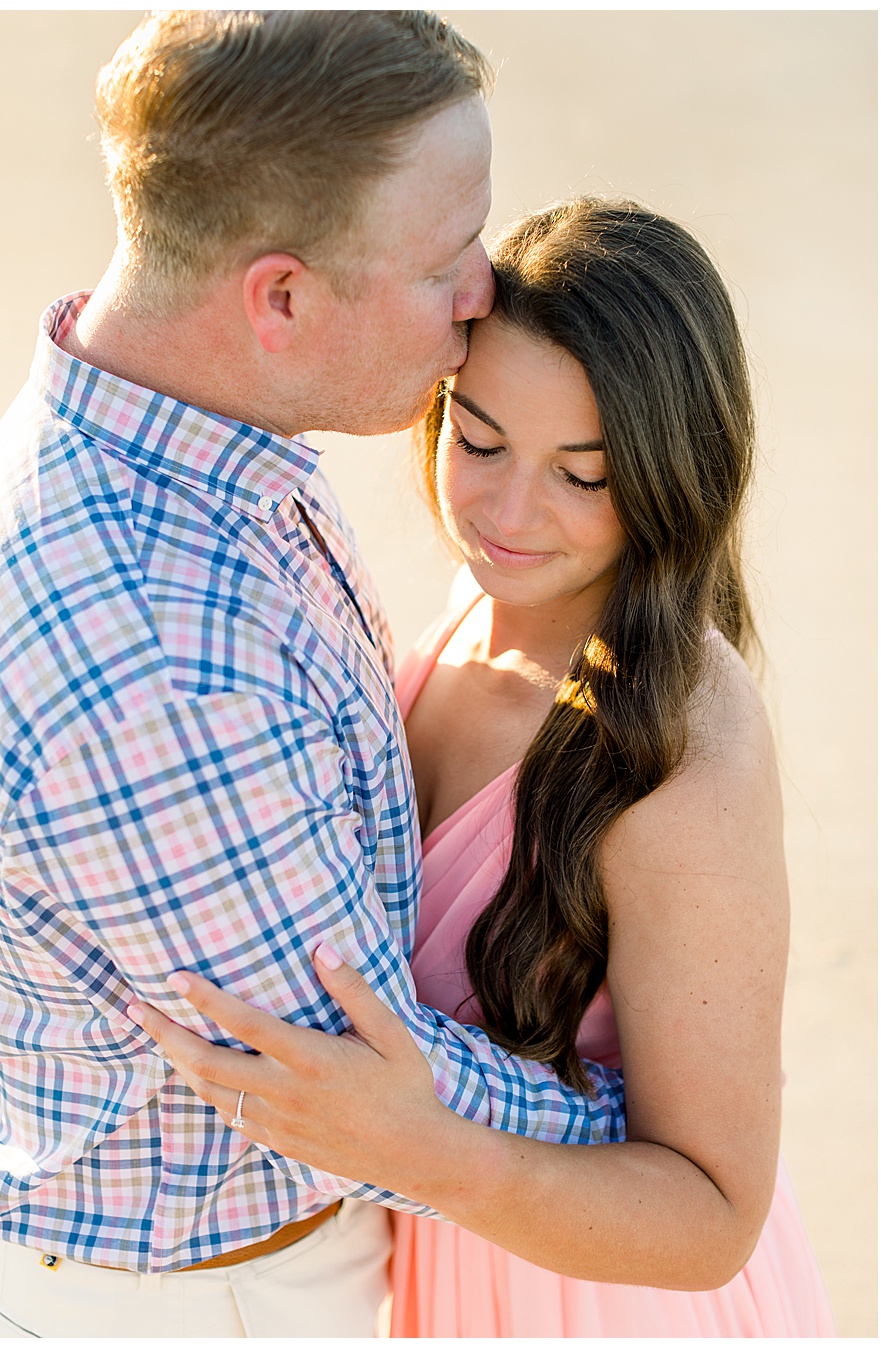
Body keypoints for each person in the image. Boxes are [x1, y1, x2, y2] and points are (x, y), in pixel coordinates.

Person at [0, 11, 627, 1337]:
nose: (484, 293)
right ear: (279, 297)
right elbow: (348, 1087)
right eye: (448, 258)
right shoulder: (161, 652)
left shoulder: (180, 433)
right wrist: (653, 1145)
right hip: (220, 1295)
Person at [129, 199, 834, 1335]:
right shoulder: (479, 607)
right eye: (481, 439)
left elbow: (714, 1212)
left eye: (583, 476)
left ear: (669, 471)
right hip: (441, 1276)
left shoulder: (681, 751)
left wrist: (425, 1148)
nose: (508, 514)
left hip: (603, 1306)